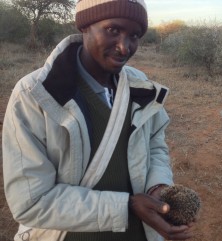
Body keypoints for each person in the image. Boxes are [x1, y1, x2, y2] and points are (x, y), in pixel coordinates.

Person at [2, 0, 195, 240]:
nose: (125, 48)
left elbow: (155, 143)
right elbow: (31, 202)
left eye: (134, 35)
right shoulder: (35, 94)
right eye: (113, 30)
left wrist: (158, 187)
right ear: (85, 26)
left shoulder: (139, 85)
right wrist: (125, 206)